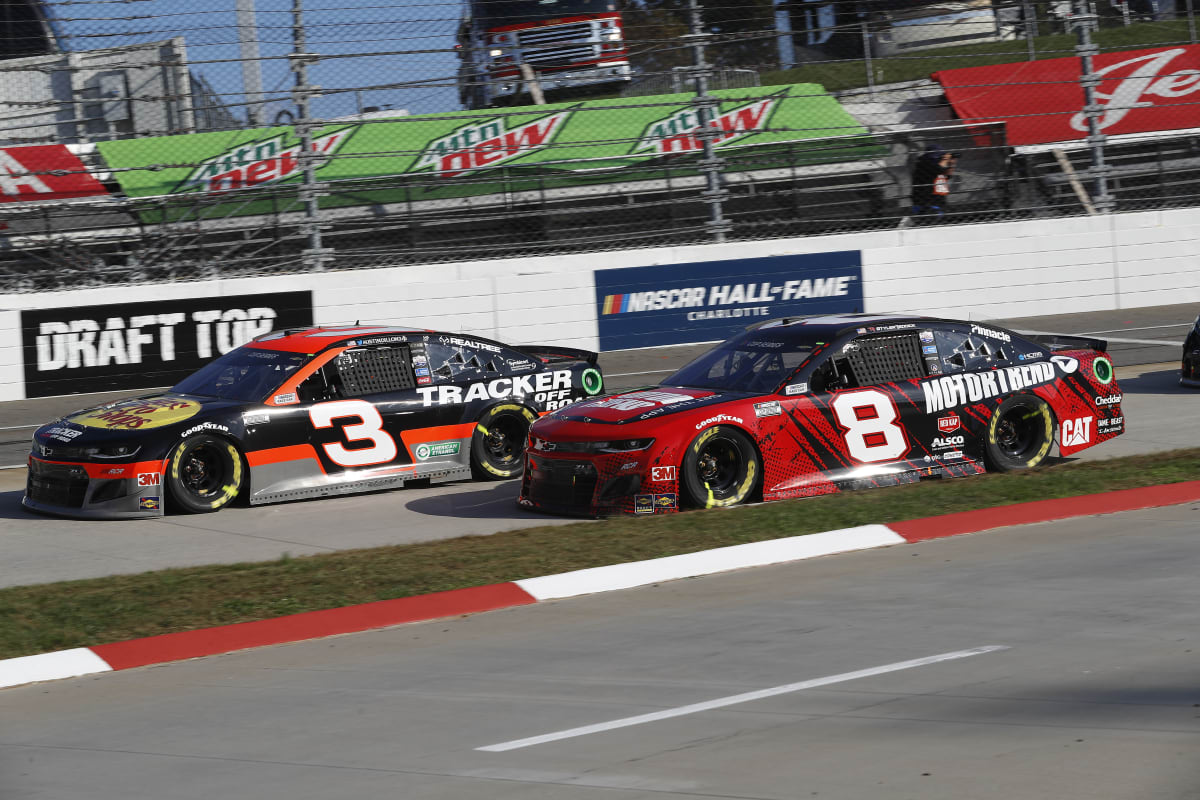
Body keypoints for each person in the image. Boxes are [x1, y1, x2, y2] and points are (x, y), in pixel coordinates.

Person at [909, 144, 956, 219]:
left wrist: (952, 164)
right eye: (939, 156)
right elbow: (939, 169)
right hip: (924, 200)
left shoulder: (933, 164)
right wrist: (945, 160)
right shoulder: (924, 163)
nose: (940, 158)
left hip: (935, 199)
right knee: (928, 220)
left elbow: (947, 176)